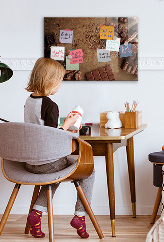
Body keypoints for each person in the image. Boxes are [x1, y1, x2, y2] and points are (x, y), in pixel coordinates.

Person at [24, 57, 94, 239]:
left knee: (55, 174)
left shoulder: (29, 101)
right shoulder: (50, 105)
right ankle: (80, 216)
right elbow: (51, 137)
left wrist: (63, 125)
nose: (60, 85)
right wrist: (68, 125)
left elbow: (41, 130)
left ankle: (36, 214)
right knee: (89, 170)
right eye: (60, 81)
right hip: (47, 162)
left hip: (30, 162)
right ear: (51, 81)